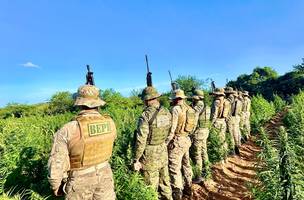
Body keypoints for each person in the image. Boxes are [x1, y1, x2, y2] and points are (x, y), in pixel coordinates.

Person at [48, 84, 117, 200]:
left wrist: (55, 186)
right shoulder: (110, 123)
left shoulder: (68, 129)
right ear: (97, 103)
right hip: (105, 175)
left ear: (79, 103)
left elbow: (57, 161)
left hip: (79, 180)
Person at [133, 86, 173, 200]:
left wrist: (136, 159)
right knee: (165, 183)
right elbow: (169, 130)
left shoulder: (145, 116)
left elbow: (141, 140)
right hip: (163, 150)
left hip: (149, 155)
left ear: (146, 100)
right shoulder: (166, 111)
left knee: (150, 188)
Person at [166, 89, 194, 200]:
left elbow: (172, 129)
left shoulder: (175, 110)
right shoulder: (189, 109)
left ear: (175, 99)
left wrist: (166, 142)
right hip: (186, 139)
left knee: (174, 168)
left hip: (177, 141)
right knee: (186, 164)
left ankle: (177, 194)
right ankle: (189, 187)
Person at [190, 89, 211, 183]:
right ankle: (206, 171)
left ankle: (198, 176)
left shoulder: (198, 106)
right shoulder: (206, 105)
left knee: (197, 154)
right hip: (205, 131)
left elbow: (194, 118)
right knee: (204, 151)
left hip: (199, 132)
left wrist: (191, 132)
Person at [210, 88, 230, 162]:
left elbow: (214, 115)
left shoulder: (217, 102)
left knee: (218, 140)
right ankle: (225, 157)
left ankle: (220, 159)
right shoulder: (226, 101)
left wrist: (211, 124)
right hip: (223, 121)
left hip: (217, 122)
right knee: (223, 139)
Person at [225, 87, 242, 155]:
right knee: (236, 133)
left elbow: (228, 111)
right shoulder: (239, 101)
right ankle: (237, 146)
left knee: (230, 135)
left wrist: (226, 119)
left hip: (231, 118)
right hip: (237, 117)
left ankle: (232, 151)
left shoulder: (229, 100)